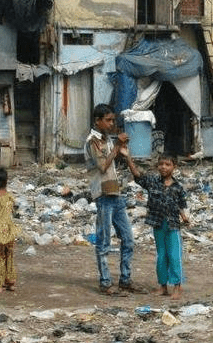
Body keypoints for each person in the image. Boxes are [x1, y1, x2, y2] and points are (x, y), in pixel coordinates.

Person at [84, 103, 137, 296]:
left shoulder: (106, 140)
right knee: (104, 241)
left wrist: (122, 150)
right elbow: (102, 167)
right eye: (108, 120)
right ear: (97, 121)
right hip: (103, 195)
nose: (111, 123)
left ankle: (125, 279)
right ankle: (105, 283)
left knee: (128, 239)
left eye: (113, 120)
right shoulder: (93, 141)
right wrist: (116, 147)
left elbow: (114, 163)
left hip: (115, 193)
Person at [127, 153, 189, 300]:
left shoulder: (178, 187)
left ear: (174, 167)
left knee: (174, 256)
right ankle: (163, 286)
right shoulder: (152, 181)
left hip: (173, 224)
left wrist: (184, 217)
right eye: (161, 164)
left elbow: (180, 205)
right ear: (157, 166)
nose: (164, 167)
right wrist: (128, 158)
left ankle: (177, 286)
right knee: (161, 256)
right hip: (157, 223)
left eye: (168, 164)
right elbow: (137, 176)